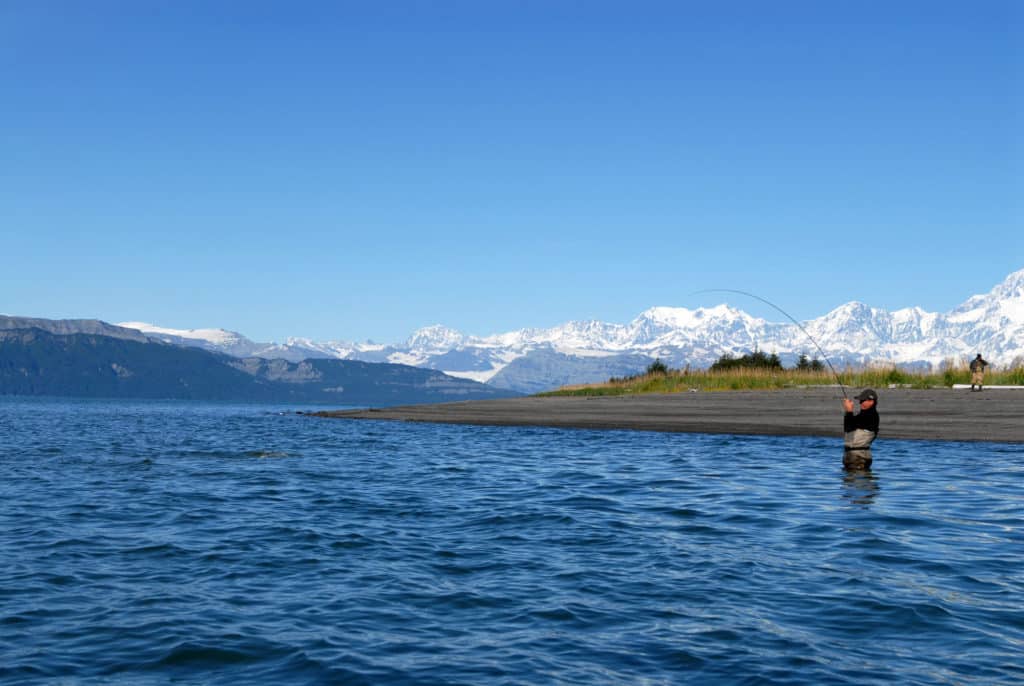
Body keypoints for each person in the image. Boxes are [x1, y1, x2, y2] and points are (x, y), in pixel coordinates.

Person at [842, 389, 879, 469]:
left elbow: (850, 427)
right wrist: (848, 412)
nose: (860, 402)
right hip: (852, 456)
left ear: (871, 401)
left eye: (862, 400)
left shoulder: (872, 416)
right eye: (860, 400)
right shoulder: (862, 415)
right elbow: (847, 429)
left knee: (859, 480)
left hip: (859, 458)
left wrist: (849, 411)